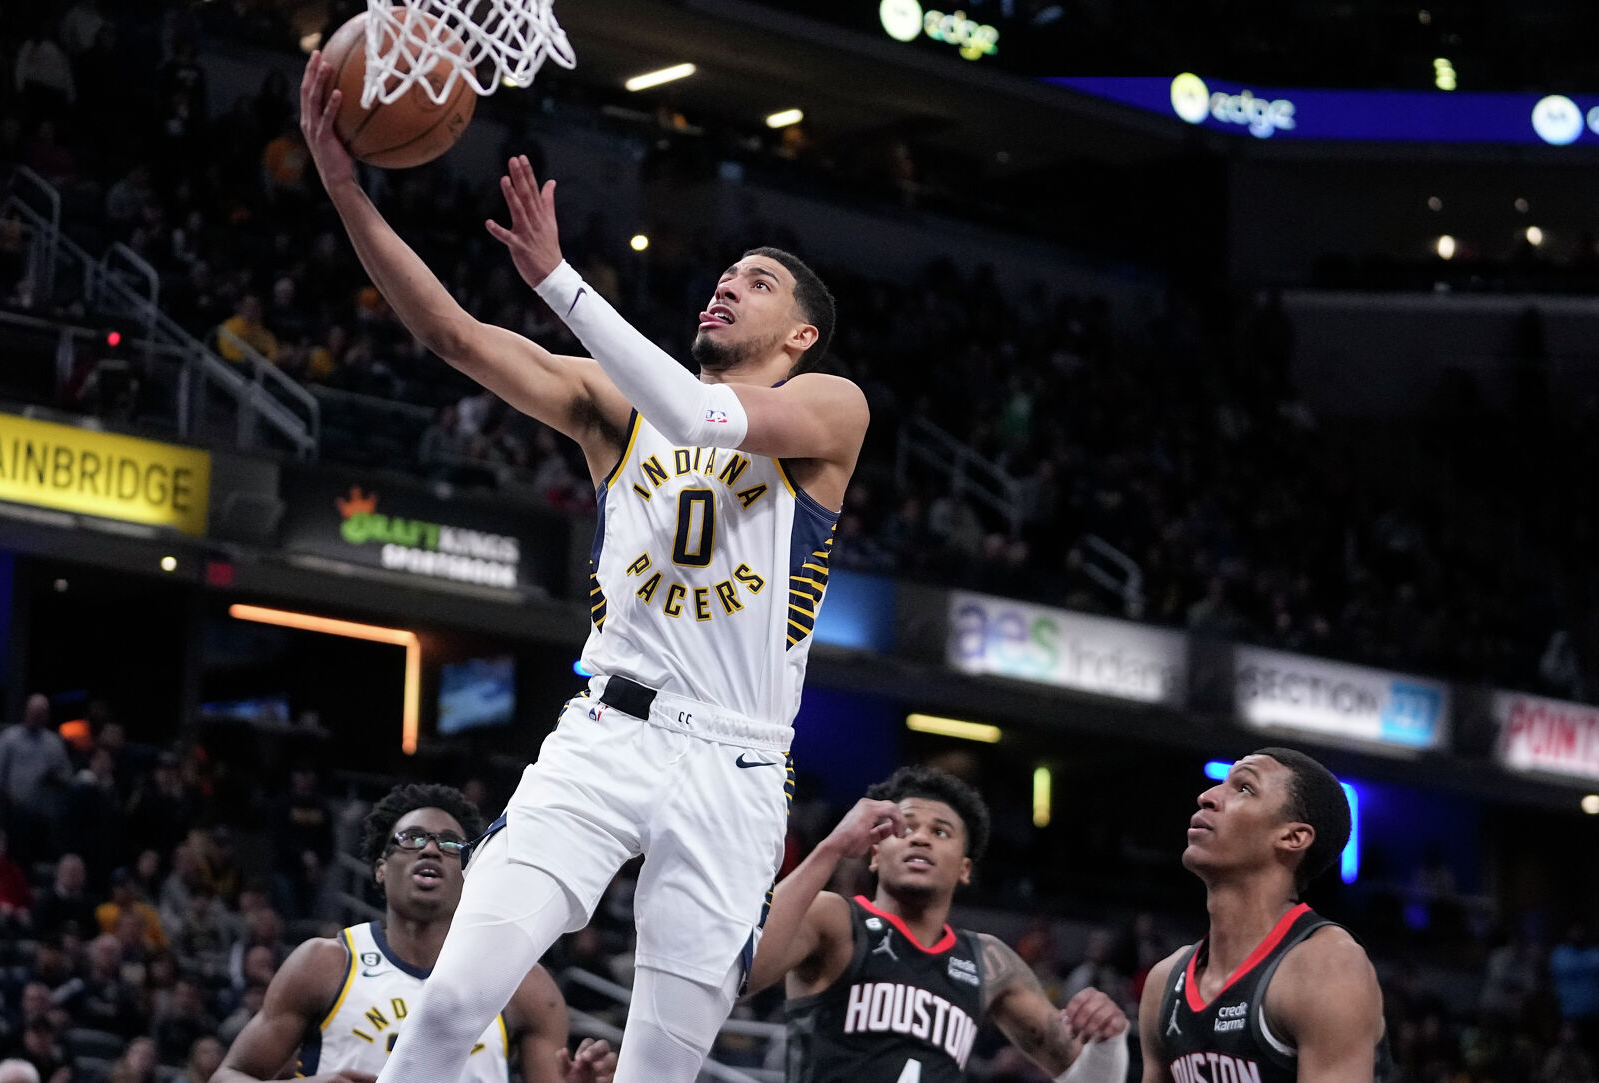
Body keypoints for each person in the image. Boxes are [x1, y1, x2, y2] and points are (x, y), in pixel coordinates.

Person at [300, 49, 866, 1083]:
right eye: (722, 273)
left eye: (755, 282)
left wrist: (557, 281)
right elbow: (451, 336)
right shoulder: (609, 401)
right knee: (454, 1003)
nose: (723, 287)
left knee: (656, 1069)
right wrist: (347, 189)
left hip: (737, 766)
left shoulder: (831, 409)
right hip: (604, 738)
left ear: (800, 334)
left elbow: (700, 416)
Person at [213, 783, 617, 1083]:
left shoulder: (523, 983)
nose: (430, 849)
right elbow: (227, 1076)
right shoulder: (324, 963)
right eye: (411, 839)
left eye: (450, 843)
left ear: (470, 871)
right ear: (380, 867)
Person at [751, 768, 1127, 1083]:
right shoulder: (834, 919)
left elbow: (1083, 1075)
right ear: (875, 853)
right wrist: (831, 848)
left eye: (941, 832)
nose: (920, 838)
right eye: (905, 827)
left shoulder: (991, 962)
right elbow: (741, 972)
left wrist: (1108, 1041)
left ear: (965, 869)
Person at [1139, 749, 1390, 1083]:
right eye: (1220, 784)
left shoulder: (1327, 968)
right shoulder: (1164, 982)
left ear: (1292, 837)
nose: (1207, 796)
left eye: (1244, 788)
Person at [0, 694, 72, 862]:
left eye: (41, 713)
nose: (36, 716)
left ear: (47, 715)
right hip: (14, 815)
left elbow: (67, 775)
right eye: (33, 712)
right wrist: (5, 805)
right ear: (26, 711)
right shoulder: (8, 738)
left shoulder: (54, 743)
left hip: (45, 817)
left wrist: (56, 778)